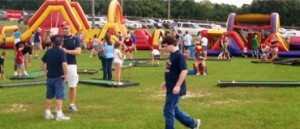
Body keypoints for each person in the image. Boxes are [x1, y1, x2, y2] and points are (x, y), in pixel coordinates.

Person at [160, 35, 200, 129]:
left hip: (175, 88)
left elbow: (184, 70)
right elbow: (172, 71)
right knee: (174, 109)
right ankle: (193, 123)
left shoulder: (179, 56)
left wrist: (177, 86)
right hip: (170, 87)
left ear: (172, 44)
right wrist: (165, 82)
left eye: (165, 46)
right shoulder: (172, 55)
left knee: (168, 111)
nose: (164, 48)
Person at [41, 35, 70, 121]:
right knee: (59, 96)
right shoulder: (61, 52)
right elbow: (64, 64)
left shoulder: (49, 51)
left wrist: (45, 71)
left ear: (53, 43)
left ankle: (47, 113)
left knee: (49, 96)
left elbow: (42, 61)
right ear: (62, 43)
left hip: (50, 77)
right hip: (59, 77)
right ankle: (59, 114)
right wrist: (66, 75)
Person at [61, 21, 81, 112]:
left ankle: (72, 104)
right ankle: (58, 105)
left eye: (66, 28)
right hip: (60, 64)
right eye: (63, 28)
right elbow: (46, 41)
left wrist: (67, 51)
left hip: (71, 64)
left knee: (72, 85)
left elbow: (78, 52)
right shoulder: (59, 38)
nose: (64, 30)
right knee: (59, 85)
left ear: (70, 28)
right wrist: (46, 33)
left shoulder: (75, 39)